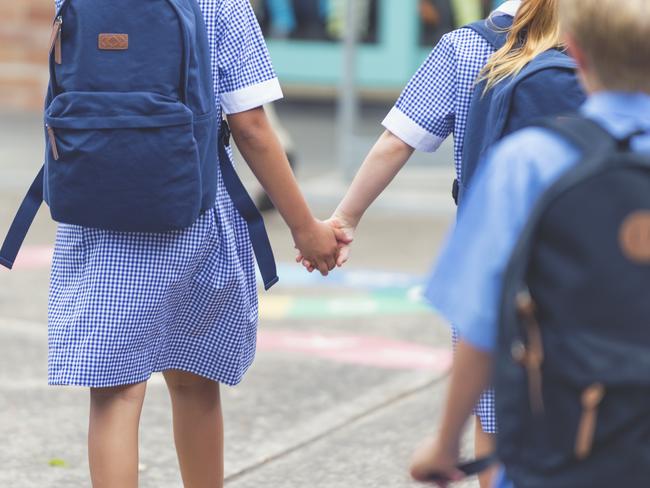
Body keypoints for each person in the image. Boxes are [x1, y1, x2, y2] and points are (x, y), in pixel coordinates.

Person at [47, 0, 346, 487]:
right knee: (193, 381)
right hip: (193, 207)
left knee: (116, 394)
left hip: (97, 210)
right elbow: (251, 127)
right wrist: (305, 227)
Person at [301, 1, 576, 486]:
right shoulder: (612, 45)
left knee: (493, 420)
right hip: (600, 266)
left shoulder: (466, 46)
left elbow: (396, 140)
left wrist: (344, 218)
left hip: (499, 271)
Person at [408, 0, 650, 486]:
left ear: (574, 51)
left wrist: (446, 442)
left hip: (561, 432)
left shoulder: (528, 160)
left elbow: (479, 320)